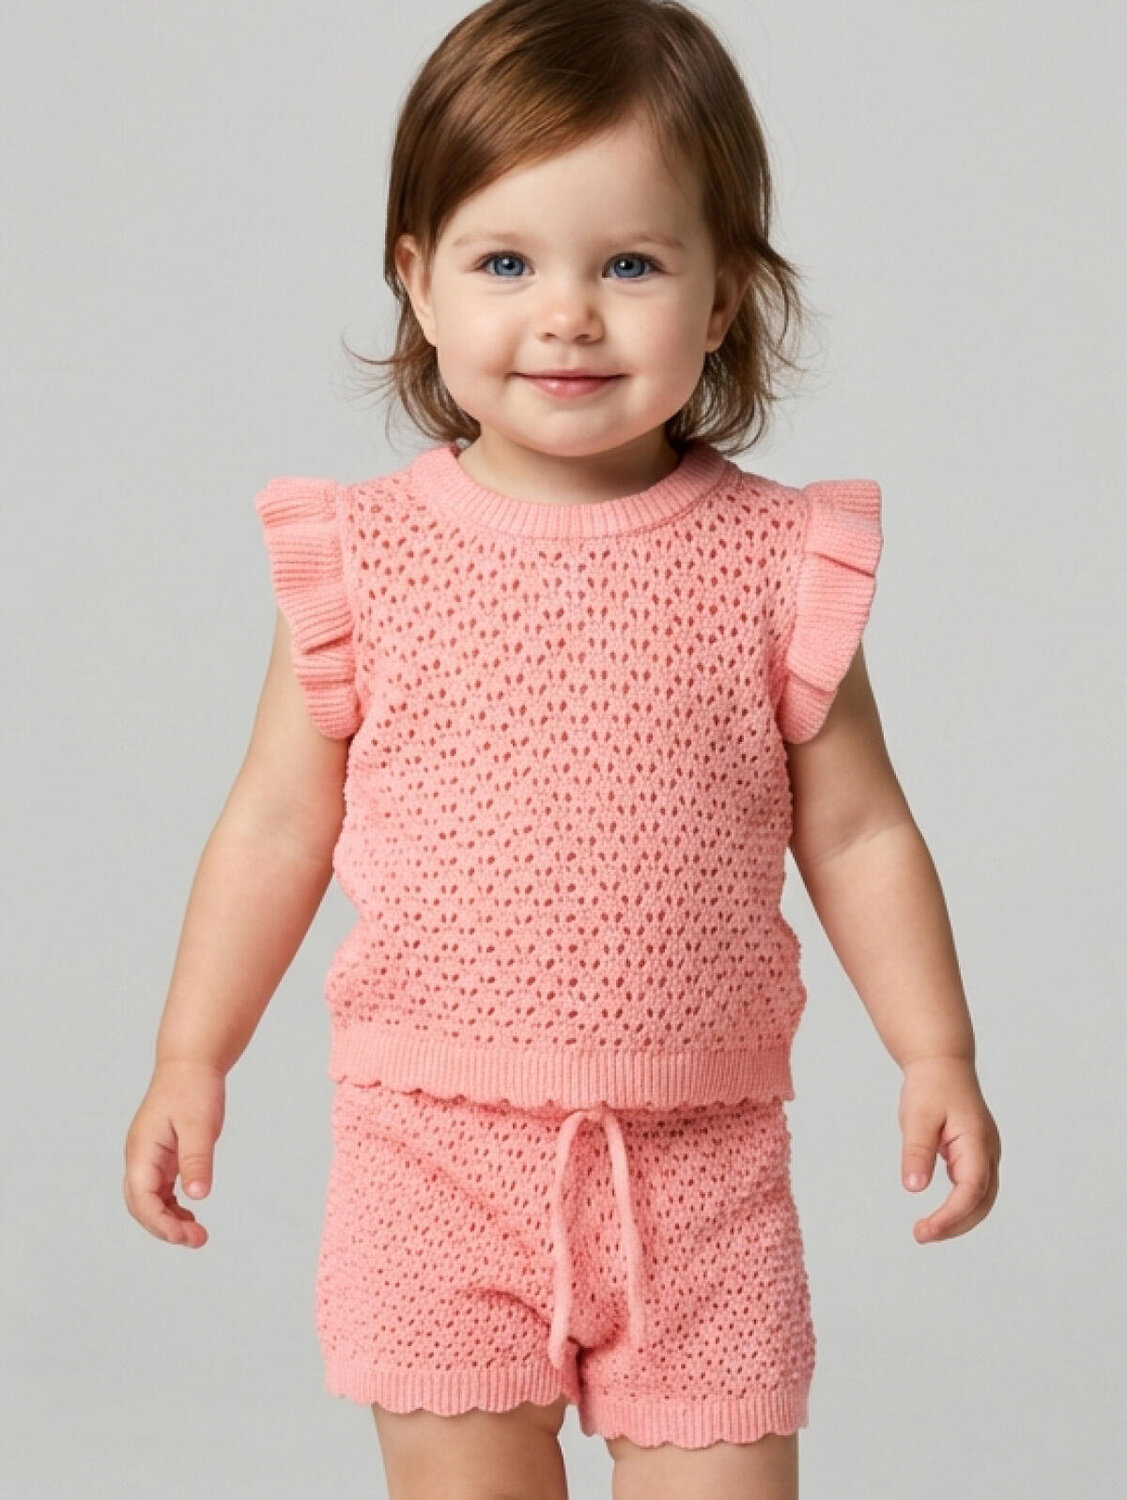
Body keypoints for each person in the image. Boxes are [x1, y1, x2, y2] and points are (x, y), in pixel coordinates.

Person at [122, 1, 1002, 1495]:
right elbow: (274, 826)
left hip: (706, 1164)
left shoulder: (777, 562)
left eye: (632, 265)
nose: (569, 315)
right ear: (418, 280)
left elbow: (857, 832)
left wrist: (938, 1050)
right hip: (429, 1155)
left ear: (724, 296)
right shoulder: (365, 559)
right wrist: (189, 1055)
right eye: (506, 263)